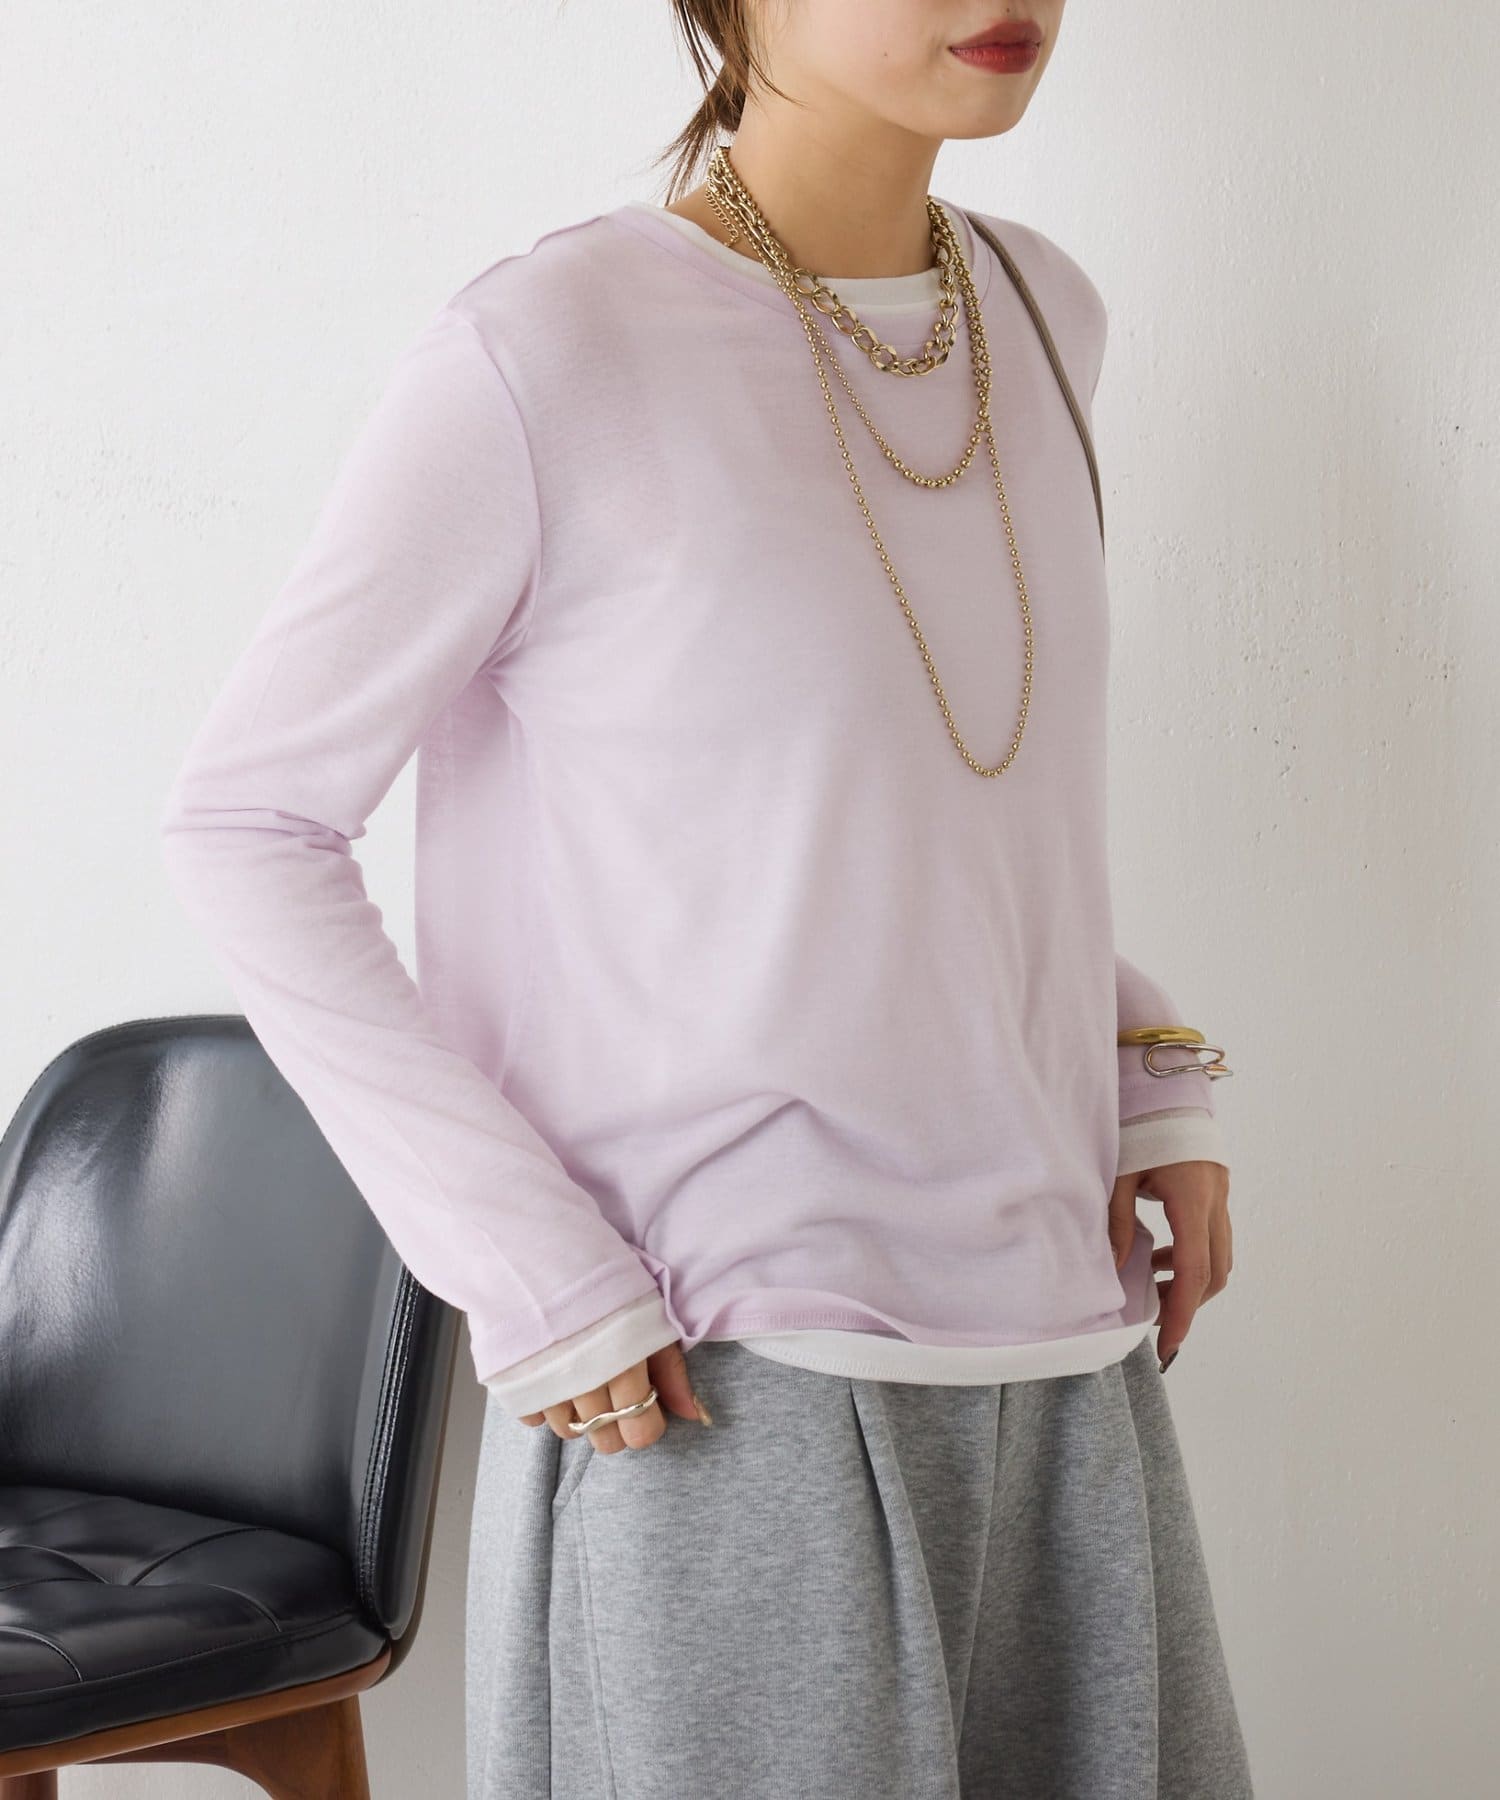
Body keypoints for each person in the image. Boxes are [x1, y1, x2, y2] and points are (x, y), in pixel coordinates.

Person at [159, 2, 1255, 1795]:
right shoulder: (549, 349)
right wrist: (530, 1267)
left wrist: (1149, 1068)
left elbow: (908, 816)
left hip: (1068, 1348)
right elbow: (246, 821)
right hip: (721, 1377)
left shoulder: (1044, 313)